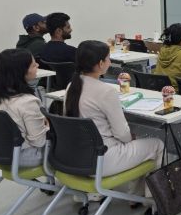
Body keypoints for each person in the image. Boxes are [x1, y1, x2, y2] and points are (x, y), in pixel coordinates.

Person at [64, 40, 163, 196]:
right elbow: (122, 134)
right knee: (157, 144)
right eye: (108, 58)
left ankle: (136, 195)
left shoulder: (72, 86)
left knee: (135, 143)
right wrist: (130, 138)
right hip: (102, 159)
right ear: (100, 64)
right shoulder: (106, 91)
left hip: (76, 156)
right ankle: (150, 200)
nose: (110, 62)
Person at [0, 49, 47, 167]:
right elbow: (39, 142)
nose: (38, 65)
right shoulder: (28, 102)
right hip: (21, 157)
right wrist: (47, 125)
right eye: (33, 65)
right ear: (21, 72)